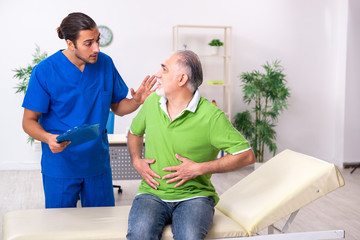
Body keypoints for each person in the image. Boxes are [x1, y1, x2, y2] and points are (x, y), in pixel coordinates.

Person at [22, 12, 156, 209]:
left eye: (98, 41)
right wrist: (47, 138)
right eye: (88, 43)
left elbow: (118, 107)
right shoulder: (45, 71)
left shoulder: (105, 63)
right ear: (70, 43)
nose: (96, 48)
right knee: (59, 226)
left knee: (101, 225)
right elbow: (28, 121)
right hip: (61, 164)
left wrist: (136, 101)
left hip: (96, 163)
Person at [126, 50, 255, 240]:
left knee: (190, 237)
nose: (157, 74)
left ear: (181, 79)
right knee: (139, 235)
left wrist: (198, 169)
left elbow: (246, 155)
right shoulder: (152, 102)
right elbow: (134, 133)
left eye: (164, 70)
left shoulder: (211, 116)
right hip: (151, 194)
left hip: (195, 197)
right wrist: (136, 160)